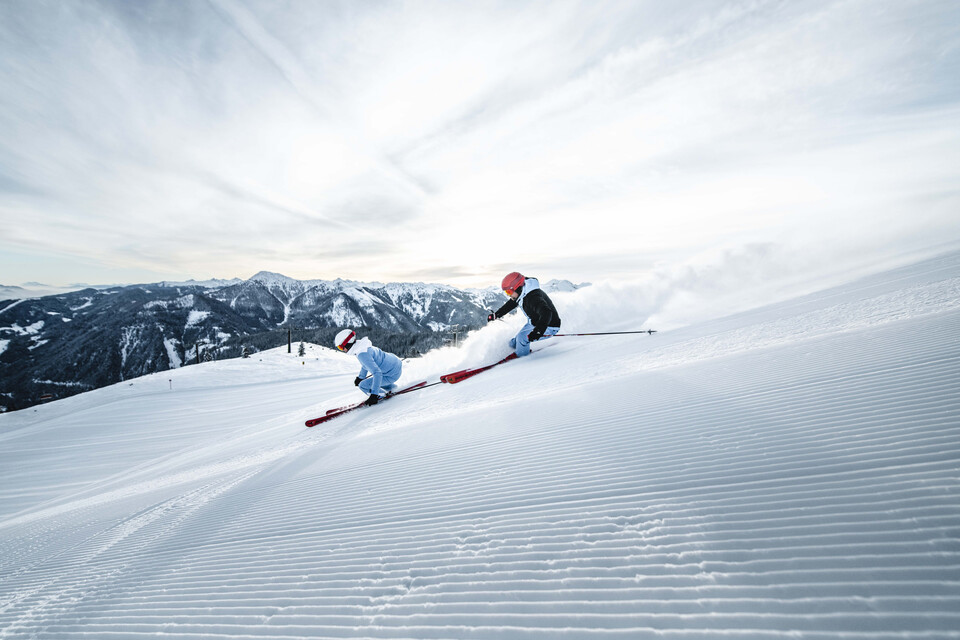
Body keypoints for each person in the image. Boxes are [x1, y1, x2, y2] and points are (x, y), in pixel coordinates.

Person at [487, 272, 561, 357]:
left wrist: (538, 331)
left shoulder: (533, 297)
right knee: (513, 343)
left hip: (549, 325)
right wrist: (496, 315)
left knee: (522, 339)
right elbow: (511, 303)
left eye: (509, 291)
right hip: (534, 322)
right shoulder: (522, 292)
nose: (509, 295)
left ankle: (522, 361)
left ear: (517, 288)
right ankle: (517, 349)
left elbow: (547, 313)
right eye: (506, 292)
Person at [333, 329, 402, 405]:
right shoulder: (362, 347)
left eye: (341, 347)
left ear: (347, 343)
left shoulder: (362, 354)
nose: (342, 350)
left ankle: (380, 395)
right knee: (370, 382)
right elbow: (365, 364)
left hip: (392, 374)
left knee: (363, 385)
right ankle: (392, 388)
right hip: (394, 364)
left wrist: (374, 394)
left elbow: (377, 373)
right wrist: (361, 377)